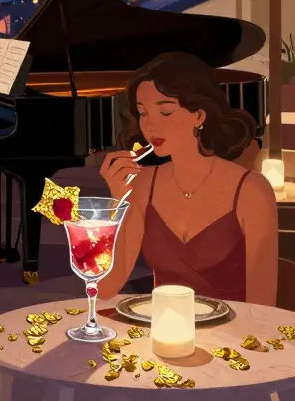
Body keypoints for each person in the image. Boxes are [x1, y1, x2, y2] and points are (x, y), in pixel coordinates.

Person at [97, 52, 276, 305]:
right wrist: (117, 202)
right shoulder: (142, 184)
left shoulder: (252, 190)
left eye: (165, 112)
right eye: (143, 113)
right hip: (164, 323)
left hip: (236, 326)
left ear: (199, 116)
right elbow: (105, 289)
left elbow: (263, 305)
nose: (149, 126)